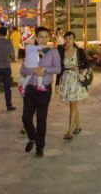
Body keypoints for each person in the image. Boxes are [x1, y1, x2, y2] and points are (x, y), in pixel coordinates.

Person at [20, 27, 62, 158]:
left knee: (41, 119)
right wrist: (33, 71)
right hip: (31, 88)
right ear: (36, 38)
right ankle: (32, 137)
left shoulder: (53, 52)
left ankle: (40, 147)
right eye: (40, 37)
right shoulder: (30, 50)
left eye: (45, 36)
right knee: (26, 117)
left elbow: (58, 69)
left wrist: (45, 69)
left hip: (44, 89)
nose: (43, 39)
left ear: (49, 38)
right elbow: (23, 70)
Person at [57, 31, 89, 140]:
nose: (67, 41)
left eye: (70, 38)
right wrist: (57, 83)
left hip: (76, 80)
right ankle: (78, 126)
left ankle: (69, 131)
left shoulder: (79, 51)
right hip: (66, 80)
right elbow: (59, 69)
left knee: (73, 104)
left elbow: (87, 65)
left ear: (74, 39)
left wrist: (79, 68)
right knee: (73, 104)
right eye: (66, 39)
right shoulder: (62, 51)